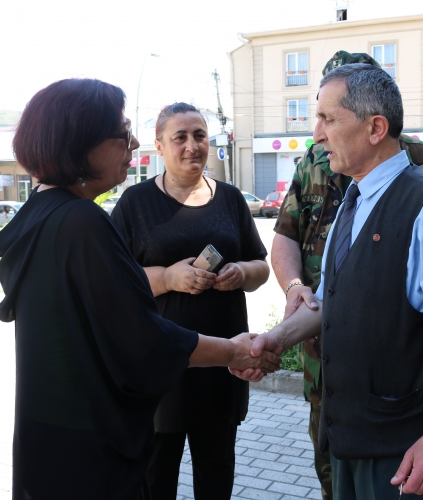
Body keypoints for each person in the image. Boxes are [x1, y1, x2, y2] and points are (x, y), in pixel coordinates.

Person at [0, 79, 280, 500]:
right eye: (123, 133)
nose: (134, 143)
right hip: (89, 450)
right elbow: (141, 337)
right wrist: (233, 351)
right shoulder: (83, 222)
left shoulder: (42, 213)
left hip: (52, 439)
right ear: (82, 143)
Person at [237, 63, 423, 499]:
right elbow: (330, 303)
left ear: (375, 128)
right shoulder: (353, 203)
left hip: (405, 455)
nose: (317, 135)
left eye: (328, 119)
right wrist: (274, 341)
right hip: (346, 441)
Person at [111, 102, 270, 500]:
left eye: (199, 136)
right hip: (159, 364)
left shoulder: (231, 199)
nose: (191, 146)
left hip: (222, 360)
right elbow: (113, 285)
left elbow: (261, 268)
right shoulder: (135, 203)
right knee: (155, 476)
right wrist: (167, 278)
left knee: (217, 471)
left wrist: (241, 272)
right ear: (159, 146)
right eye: (179, 137)